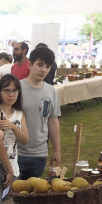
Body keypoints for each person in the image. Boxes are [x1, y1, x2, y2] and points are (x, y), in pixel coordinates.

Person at [17, 46, 61, 180]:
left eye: (47, 66)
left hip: (39, 154)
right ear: (30, 64)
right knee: (11, 197)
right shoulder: (16, 88)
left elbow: (53, 120)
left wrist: (57, 150)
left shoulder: (51, 91)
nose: (43, 70)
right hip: (16, 153)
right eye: (40, 65)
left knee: (33, 195)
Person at [0, 74, 29, 204]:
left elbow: (25, 140)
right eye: (7, 90)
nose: (11, 94)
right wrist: (8, 169)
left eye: (14, 91)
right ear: (0, 92)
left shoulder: (19, 113)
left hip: (13, 162)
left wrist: (13, 127)